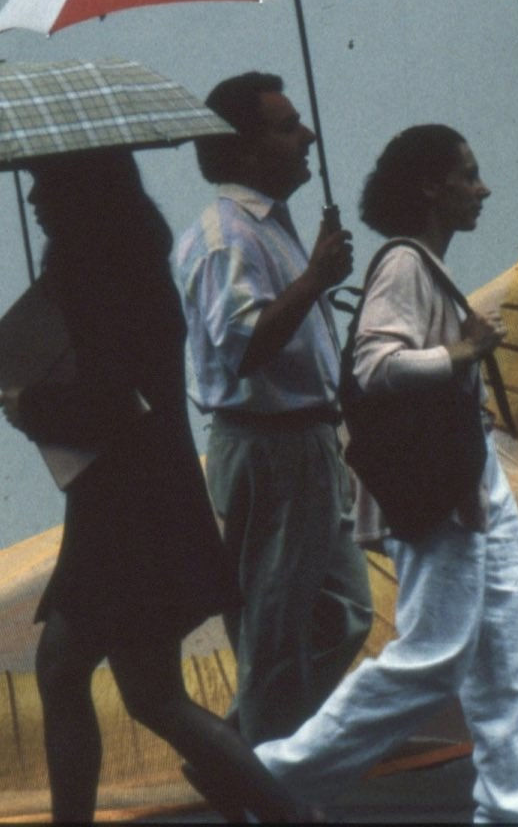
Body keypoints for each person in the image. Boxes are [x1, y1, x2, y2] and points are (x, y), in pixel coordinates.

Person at [253, 124, 518, 822]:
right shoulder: (404, 266)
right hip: (445, 483)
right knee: (438, 653)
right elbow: (375, 365)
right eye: (469, 175)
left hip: (467, 475)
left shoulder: (420, 264)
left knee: (511, 651)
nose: (482, 189)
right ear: (431, 186)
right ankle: (272, 773)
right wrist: (462, 355)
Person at [0, 148, 312, 823]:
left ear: (84, 195)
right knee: (110, 683)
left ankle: (294, 818)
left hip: (125, 511)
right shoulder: (123, 270)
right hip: (135, 504)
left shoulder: (101, 280)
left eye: (46, 185)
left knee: (126, 688)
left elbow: (112, 401)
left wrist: (32, 406)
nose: (34, 202)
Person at [173, 72, 373, 748]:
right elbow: (242, 348)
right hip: (272, 450)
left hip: (302, 448)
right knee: (277, 632)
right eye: (288, 126)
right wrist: (316, 278)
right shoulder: (228, 238)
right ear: (247, 150)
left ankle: (240, 750)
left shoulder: (269, 227)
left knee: (342, 613)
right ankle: (257, 778)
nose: (307, 134)